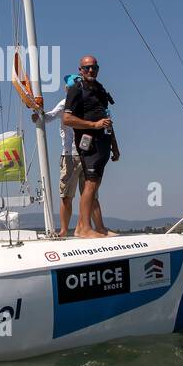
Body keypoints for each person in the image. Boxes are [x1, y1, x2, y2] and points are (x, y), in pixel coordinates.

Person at [62, 55, 119, 238]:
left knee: (95, 186)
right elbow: (67, 119)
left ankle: (88, 227)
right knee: (90, 183)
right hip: (88, 143)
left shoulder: (100, 90)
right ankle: (85, 228)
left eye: (94, 67)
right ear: (80, 70)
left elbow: (107, 119)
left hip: (103, 143)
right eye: (86, 68)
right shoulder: (76, 89)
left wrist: (114, 145)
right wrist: (93, 125)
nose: (91, 70)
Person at [33, 74, 84, 236]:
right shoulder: (64, 104)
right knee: (66, 195)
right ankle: (63, 230)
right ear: (66, 89)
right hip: (70, 155)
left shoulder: (87, 104)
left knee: (89, 195)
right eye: (72, 88)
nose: (74, 91)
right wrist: (38, 114)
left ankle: (82, 228)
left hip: (87, 154)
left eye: (78, 88)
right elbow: (49, 117)